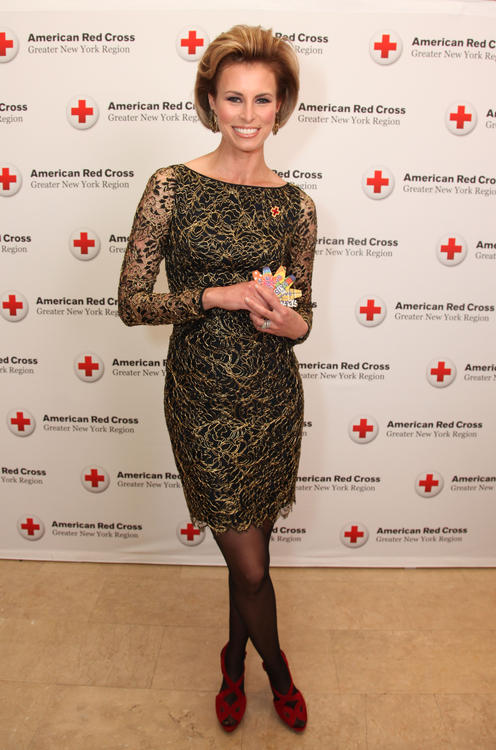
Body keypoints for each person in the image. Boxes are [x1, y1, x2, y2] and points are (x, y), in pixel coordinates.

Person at [118, 24, 316, 733]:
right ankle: (278, 672)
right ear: (210, 101)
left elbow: (304, 314)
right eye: (234, 97)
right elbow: (132, 302)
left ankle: (233, 660)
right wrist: (215, 295)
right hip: (201, 398)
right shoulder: (170, 187)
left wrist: (288, 323)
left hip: (272, 397)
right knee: (252, 563)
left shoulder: (296, 205)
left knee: (251, 550)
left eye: (263, 99)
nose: (248, 114)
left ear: (280, 105)